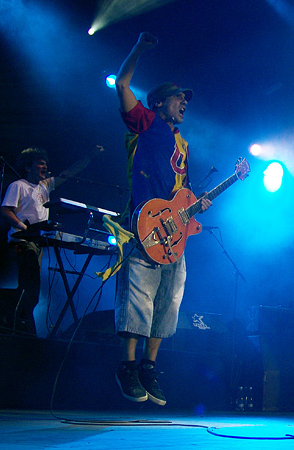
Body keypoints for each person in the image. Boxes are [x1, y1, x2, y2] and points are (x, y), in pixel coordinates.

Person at [114, 31, 212, 406]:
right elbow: (122, 84)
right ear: (158, 103)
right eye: (177, 98)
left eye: (185, 99)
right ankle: (127, 366)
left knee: (169, 298)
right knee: (139, 293)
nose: (184, 103)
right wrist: (138, 47)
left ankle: (149, 367)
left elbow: (181, 192)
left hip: (174, 232)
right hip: (144, 225)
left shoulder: (184, 145)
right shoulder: (147, 124)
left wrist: (195, 204)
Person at [0, 145, 103, 335]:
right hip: (22, 241)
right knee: (29, 286)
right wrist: (24, 227)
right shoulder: (18, 185)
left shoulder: (45, 186)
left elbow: (69, 173)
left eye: (45, 163)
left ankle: (22, 326)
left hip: (37, 241)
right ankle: (17, 326)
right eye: (40, 163)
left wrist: (89, 156)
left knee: (31, 289)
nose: (44, 166)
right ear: (28, 167)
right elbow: (5, 210)